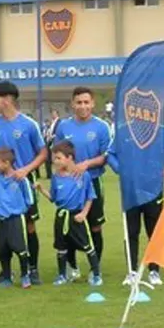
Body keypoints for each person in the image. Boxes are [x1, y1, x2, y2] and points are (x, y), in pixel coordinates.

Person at [0, 81, 47, 284]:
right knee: (4, 224)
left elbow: (43, 152)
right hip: (1, 184)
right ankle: (5, 272)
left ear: (7, 100)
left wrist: (26, 169)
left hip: (23, 181)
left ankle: (32, 269)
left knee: (29, 225)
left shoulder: (28, 124)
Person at [106, 122, 164, 286]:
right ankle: (131, 271)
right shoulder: (123, 130)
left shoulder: (160, 131)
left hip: (153, 189)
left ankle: (154, 270)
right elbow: (110, 154)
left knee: (154, 231)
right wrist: (121, 170)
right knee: (131, 231)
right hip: (130, 190)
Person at [50, 87, 114, 276]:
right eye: (79, 102)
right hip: (68, 185)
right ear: (72, 104)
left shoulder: (101, 127)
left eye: (86, 102)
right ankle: (73, 266)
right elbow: (58, 153)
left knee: (95, 225)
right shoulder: (64, 127)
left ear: (92, 103)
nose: (83, 106)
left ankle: (96, 267)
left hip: (92, 181)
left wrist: (86, 164)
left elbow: (106, 156)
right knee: (68, 226)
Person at [43, 140, 101, 286]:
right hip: (61, 216)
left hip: (77, 217)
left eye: (58, 158)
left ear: (69, 158)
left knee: (88, 246)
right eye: (54, 158)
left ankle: (96, 275)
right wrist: (41, 189)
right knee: (61, 247)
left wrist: (84, 214)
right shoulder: (56, 177)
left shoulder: (83, 175)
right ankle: (62, 275)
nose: (55, 161)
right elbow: (54, 198)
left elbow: (90, 197)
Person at [0, 147, 34, 288]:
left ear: (7, 163)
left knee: (20, 248)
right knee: (2, 250)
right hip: (0, 219)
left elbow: (30, 199)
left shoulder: (20, 179)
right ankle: (7, 277)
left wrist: (18, 209)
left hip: (15, 218)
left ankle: (25, 275)